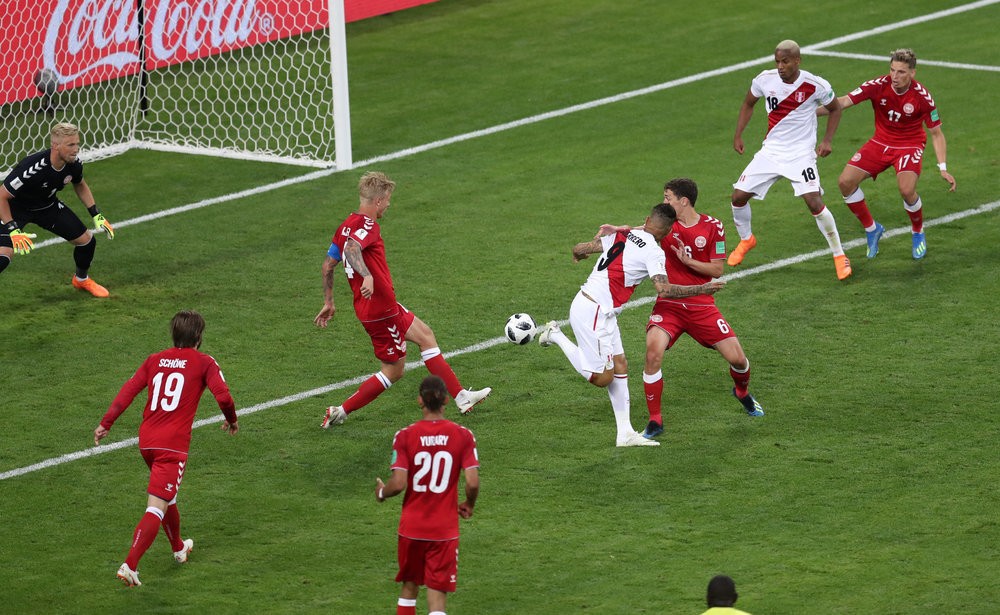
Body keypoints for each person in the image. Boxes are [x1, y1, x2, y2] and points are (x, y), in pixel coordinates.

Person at [535, 203, 726, 448]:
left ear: (647, 220)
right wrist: (702, 288)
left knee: (620, 365)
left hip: (600, 310)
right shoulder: (654, 252)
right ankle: (555, 334)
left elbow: (581, 248)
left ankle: (624, 433)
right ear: (668, 231)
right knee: (602, 378)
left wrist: (578, 253)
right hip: (593, 312)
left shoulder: (623, 233)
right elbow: (664, 290)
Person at [314, 171, 491, 428]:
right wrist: (367, 276)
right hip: (379, 310)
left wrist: (329, 301)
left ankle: (462, 397)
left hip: (381, 306)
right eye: (387, 200)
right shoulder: (368, 225)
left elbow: (328, 265)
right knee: (393, 371)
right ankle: (340, 411)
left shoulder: (345, 226)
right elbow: (352, 249)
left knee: (425, 335)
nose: (388, 204)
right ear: (377, 201)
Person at [94, 310, 239, 587]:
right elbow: (223, 396)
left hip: (147, 442)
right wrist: (231, 420)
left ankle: (178, 548)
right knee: (156, 507)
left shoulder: (154, 360)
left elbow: (129, 390)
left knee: (167, 497)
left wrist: (106, 423)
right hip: (171, 447)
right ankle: (130, 565)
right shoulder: (204, 362)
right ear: (198, 337)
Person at [640, 178, 763, 439]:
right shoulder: (667, 223)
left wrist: (689, 262)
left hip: (701, 305)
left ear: (683, 201)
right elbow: (638, 232)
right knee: (652, 354)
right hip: (670, 304)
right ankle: (655, 420)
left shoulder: (713, 226)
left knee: (738, 360)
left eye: (668, 198)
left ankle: (741, 391)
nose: (664, 202)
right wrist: (613, 231)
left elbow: (717, 269)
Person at [728, 40, 852, 281]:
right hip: (771, 152)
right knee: (738, 197)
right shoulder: (764, 79)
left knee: (814, 203)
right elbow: (748, 103)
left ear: (797, 60)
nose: (780, 66)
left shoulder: (815, 85)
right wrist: (738, 134)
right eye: (777, 61)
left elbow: (835, 109)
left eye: (785, 61)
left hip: (800, 154)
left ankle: (839, 255)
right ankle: (746, 240)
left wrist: (827, 141)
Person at [820, 48, 956, 260]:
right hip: (880, 142)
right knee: (845, 182)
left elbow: (936, 134)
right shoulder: (878, 85)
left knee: (907, 189)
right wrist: (807, 112)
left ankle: (917, 231)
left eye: (901, 72)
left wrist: (943, 167)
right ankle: (872, 229)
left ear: (912, 73)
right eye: (892, 70)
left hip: (909, 145)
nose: (895, 76)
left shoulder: (922, 97)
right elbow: (844, 101)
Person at [375, 375, 479, 615]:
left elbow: (398, 484)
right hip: (444, 530)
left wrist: (381, 492)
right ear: (446, 400)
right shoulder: (463, 435)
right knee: (437, 598)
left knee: (409, 588)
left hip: (412, 528)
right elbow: (472, 482)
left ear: (420, 401)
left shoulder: (405, 436)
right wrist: (469, 503)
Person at [0, 122, 116, 296]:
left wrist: (96, 214)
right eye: (71, 145)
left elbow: (80, 184)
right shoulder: (32, 167)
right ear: (55, 145)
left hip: (47, 206)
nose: (76, 149)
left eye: (77, 143)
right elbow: (1, 196)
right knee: (4, 256)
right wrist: (13, 229)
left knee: (87, 241)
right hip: (15, 209)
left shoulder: (73, 164)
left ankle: (81, 280)